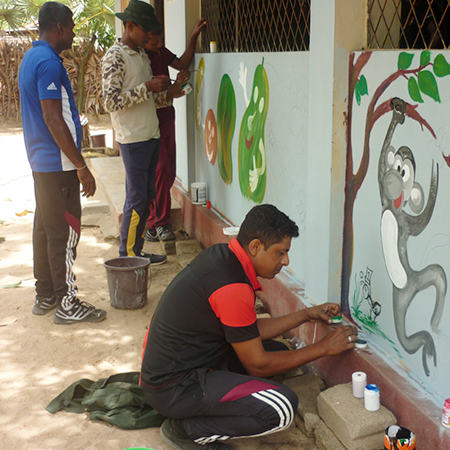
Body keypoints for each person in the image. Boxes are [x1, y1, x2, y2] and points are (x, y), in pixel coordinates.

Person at [140, 204, 358, 450]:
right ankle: (187, 429)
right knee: (282, 407)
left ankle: (198, 411)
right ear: (255, 247)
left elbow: (247, 329)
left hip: (180, 368)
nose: (286, 261)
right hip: (175, 388)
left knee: (276, 350)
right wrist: (323, 348)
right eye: (280, 253)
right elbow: (258, 365)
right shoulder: (232, 286)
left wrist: (305, 315)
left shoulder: (224, 257)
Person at [18, 1, 106, 324]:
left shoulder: (31, 58)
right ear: (59, 28)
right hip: (59, 166)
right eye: (70, 27)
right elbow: (53, 118)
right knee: (65, 232)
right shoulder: (49, 64)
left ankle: (46, 295)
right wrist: (81, 166)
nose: (72, 33)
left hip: (42, 163)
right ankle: (67, 302)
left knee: (44, 228)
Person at [101, 0, 184, 265]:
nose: (149, 36)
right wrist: (148, 87)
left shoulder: (141, 55)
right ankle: (127, 256)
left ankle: (137, 250)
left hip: (151, 135)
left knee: (146, 197)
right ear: (130, 26)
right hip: (133, 140)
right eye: (145, 30)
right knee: (137, 199)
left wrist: (168, 94)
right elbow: (110, 101)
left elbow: (149, 100)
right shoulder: (115, 56)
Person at [143, 19, 207, 243]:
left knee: (169, 171)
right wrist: (173, 88)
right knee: (160, 169)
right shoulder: (139, 58)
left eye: (161, 42)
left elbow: (181, 63)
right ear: (144, 38)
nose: (159, 46)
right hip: (151, 119)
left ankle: (153, 225)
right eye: (154, 43)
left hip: (167, 114)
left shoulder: (158, 50)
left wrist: (192, 39)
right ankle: (160, 223)